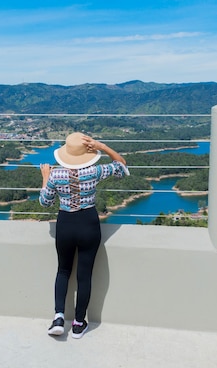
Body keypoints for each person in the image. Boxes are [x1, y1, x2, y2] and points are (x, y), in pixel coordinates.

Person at [39, 132, 129, 339]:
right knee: (84, 274)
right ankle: (79, 323)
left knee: (63, 271)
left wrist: (45, 178)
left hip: (65, 225)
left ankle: (59, 318)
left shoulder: (56, 175)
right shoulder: (95, 171)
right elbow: (122, 166)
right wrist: (102, 146)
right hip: (88, 224)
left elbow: (45, 202)